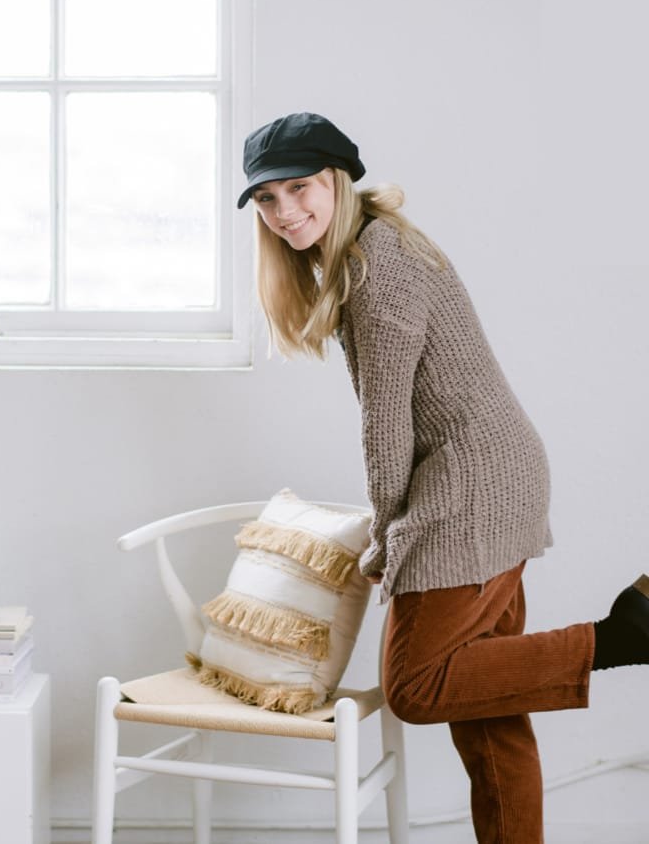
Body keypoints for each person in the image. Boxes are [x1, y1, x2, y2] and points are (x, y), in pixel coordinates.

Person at [237, 111, 649, 844]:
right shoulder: (380, 244)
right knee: (491, 710)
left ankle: (623, 636)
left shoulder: (375, 268)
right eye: (267, 198)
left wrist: (389, 535)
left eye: (300, 188)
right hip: (496, 474)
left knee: (418, 684)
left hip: (470, 486)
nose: (284, 211)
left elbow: (385, 425)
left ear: (337, 181)